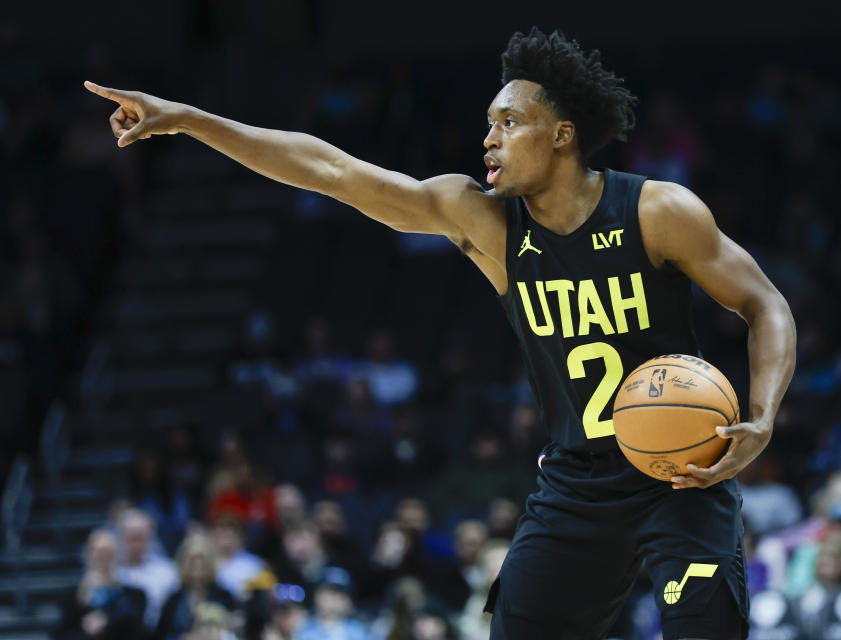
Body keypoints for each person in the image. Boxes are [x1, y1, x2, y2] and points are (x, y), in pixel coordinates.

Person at [85, 26, 796, 640]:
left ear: (563, 134)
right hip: (580, 480)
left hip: (685, 471)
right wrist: (190, 120)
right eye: (488, 122)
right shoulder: (482, 219)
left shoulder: (657, 212)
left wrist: (761, 418)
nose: (488, 137)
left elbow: (765, 305)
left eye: (509, 122)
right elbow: (331, 170)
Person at [53, 529, 147, 640]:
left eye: (107, 553)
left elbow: (135, 628)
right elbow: (62, 633)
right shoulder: (71, 597)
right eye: (97, 552)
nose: (102, 558)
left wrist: (107, 620)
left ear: (116, 555)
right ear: (87, 554)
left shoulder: (134, 596)